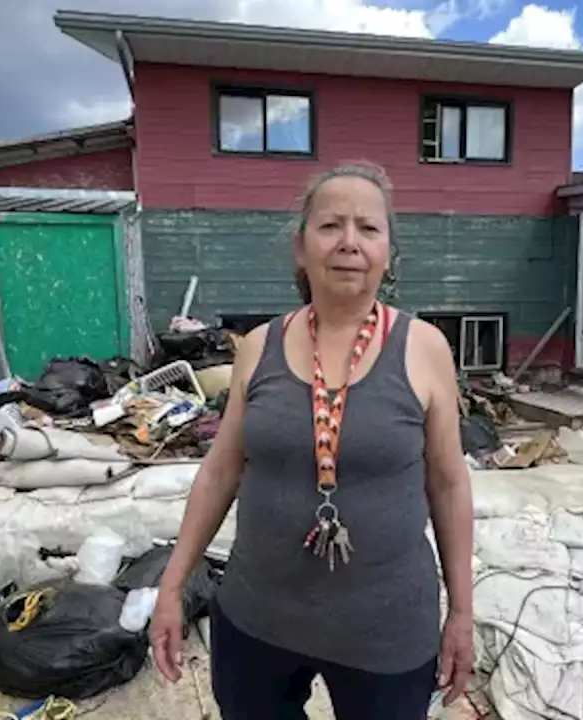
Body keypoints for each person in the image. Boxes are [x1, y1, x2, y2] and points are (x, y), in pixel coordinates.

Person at [149, 161, 475, 719]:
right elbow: (220, 472)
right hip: (258, 621)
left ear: (389, 251)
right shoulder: (258, 346)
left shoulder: (424, 348)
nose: (349, 242)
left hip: (386, 633)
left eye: (368, 229)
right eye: (330, 226)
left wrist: (462, 612)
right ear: (301, 248)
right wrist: (172, 587)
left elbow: (447, 483)